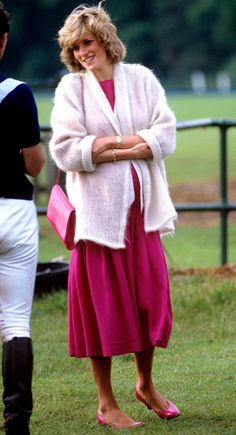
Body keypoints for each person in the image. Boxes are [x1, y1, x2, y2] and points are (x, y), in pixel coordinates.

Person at [49, 3, 180, 429]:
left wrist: (106, 146)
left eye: (87, 42)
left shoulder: (141, 79)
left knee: (149, 302)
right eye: (75, 46)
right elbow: (66, 150)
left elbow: (165, 135)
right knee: (101, 309)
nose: (83, 52)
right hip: (97, 221)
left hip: (142, 216)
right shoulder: (71, 90)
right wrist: (130, 146)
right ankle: (106, 402)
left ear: (105, 40)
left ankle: (145, 385)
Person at [0, 3, 46, 434]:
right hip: (13, 211)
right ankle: (17, 420)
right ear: (3, 40)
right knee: (15, 320)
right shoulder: (17, 91)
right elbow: (34, 164)